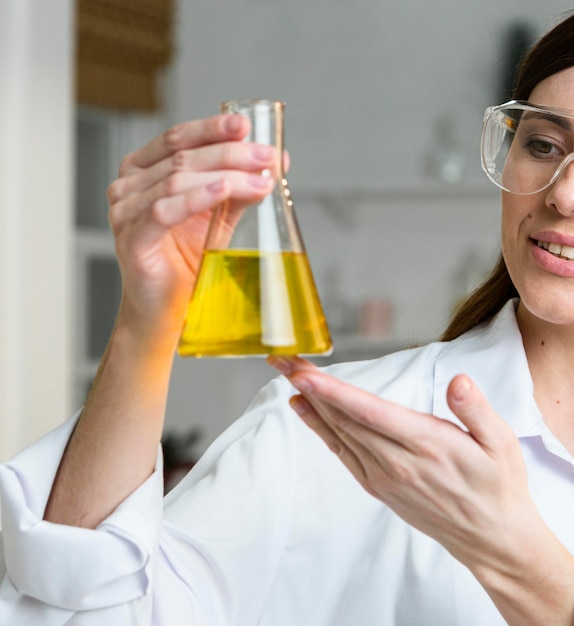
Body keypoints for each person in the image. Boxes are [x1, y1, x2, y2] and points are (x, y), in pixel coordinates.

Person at [2, 12, 574, 625]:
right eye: (543, 146)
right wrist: (147, 320)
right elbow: (76, 614)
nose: (562, 195)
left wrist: (525, 567)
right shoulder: (341, 434)